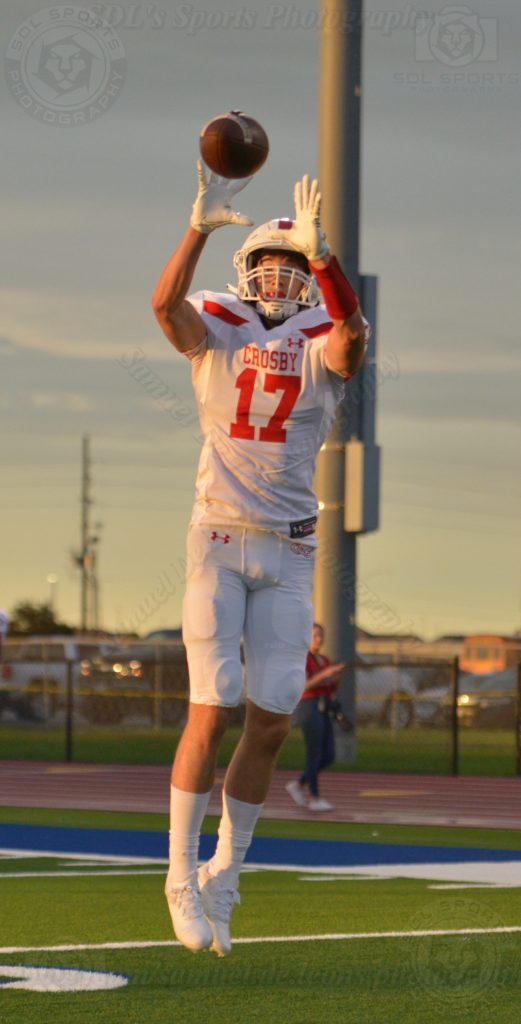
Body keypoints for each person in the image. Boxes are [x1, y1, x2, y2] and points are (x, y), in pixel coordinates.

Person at [151, 162, 368, 957]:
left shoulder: (321, 339)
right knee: (214, 704)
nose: (279, 277)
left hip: (289, 547)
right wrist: (199, 229)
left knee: (273, 720)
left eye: (294, 266)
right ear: (245, 274)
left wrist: (330, 263)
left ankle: (225, 875)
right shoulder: (218, 321)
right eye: (268, 264)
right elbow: (163, 306)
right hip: (216, 533)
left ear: (309, 279)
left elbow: (354, 337)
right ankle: (177, 874)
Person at [286, 622, 344, 812]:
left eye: (321, 635)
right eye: (315, 635)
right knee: (314, 752)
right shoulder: (302, 658)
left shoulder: (324, 660)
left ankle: (298, 783)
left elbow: (330, 688)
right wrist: (325, 674)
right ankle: (314, 797)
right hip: (308, 706)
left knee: (329, 755)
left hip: (323, 706)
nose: (318, 639)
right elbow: (304, 685)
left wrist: (336, 678)